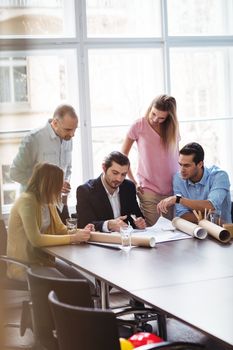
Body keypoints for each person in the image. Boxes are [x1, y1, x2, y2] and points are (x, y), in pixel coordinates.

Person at [7, 163, 94, 282]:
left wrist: (83, 232)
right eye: (59, 183)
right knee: (73, 286)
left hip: (43, 260)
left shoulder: (48, 202)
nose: (61, 187)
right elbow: (36, 239)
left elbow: (61, 229)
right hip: (25, 264)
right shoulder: (27, 201)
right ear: (49, 184)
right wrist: (74, 238)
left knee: (87, 284)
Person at [10, 104, 78, 222]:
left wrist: (64, 182)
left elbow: (68, 169)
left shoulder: (68, 139)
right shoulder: (33, 139)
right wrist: (49, 185)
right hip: (35, 207)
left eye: (75, 129)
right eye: (68, 129)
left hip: (59, 207)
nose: (72, 134)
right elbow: (14, 173)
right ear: (55, 123)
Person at [121, 94, 180, 226]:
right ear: (150, 108)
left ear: (168, 118)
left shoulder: (172, 128)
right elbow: (123, 156)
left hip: (173, 191)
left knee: (174, 233)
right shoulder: (139, 125)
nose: (155, 119)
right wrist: (133, 181)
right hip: (149, 191)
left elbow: (177, 157)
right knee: (156, 232)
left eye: (161, 118)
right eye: (153, 114)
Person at [157, 142, 232, 224]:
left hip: (221, 232)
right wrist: (211, 218)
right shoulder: (178, 178)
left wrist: (178, 199)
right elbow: (182, 214)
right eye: (180, 165)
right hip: (194, 230)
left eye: (187, 165)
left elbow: (211, 206)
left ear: (200, 164)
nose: (182, 170)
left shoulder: (219, 176)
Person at [76, 151, 146, 232]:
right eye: (115, 173)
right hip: (101, 241)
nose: (119, 179)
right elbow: (83, 224)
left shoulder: (129, 187)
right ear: (104, 168)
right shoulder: (85, 191)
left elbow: (137, 216)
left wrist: (139, 222)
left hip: (127, 239)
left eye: (123, 174)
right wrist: (108, 224)